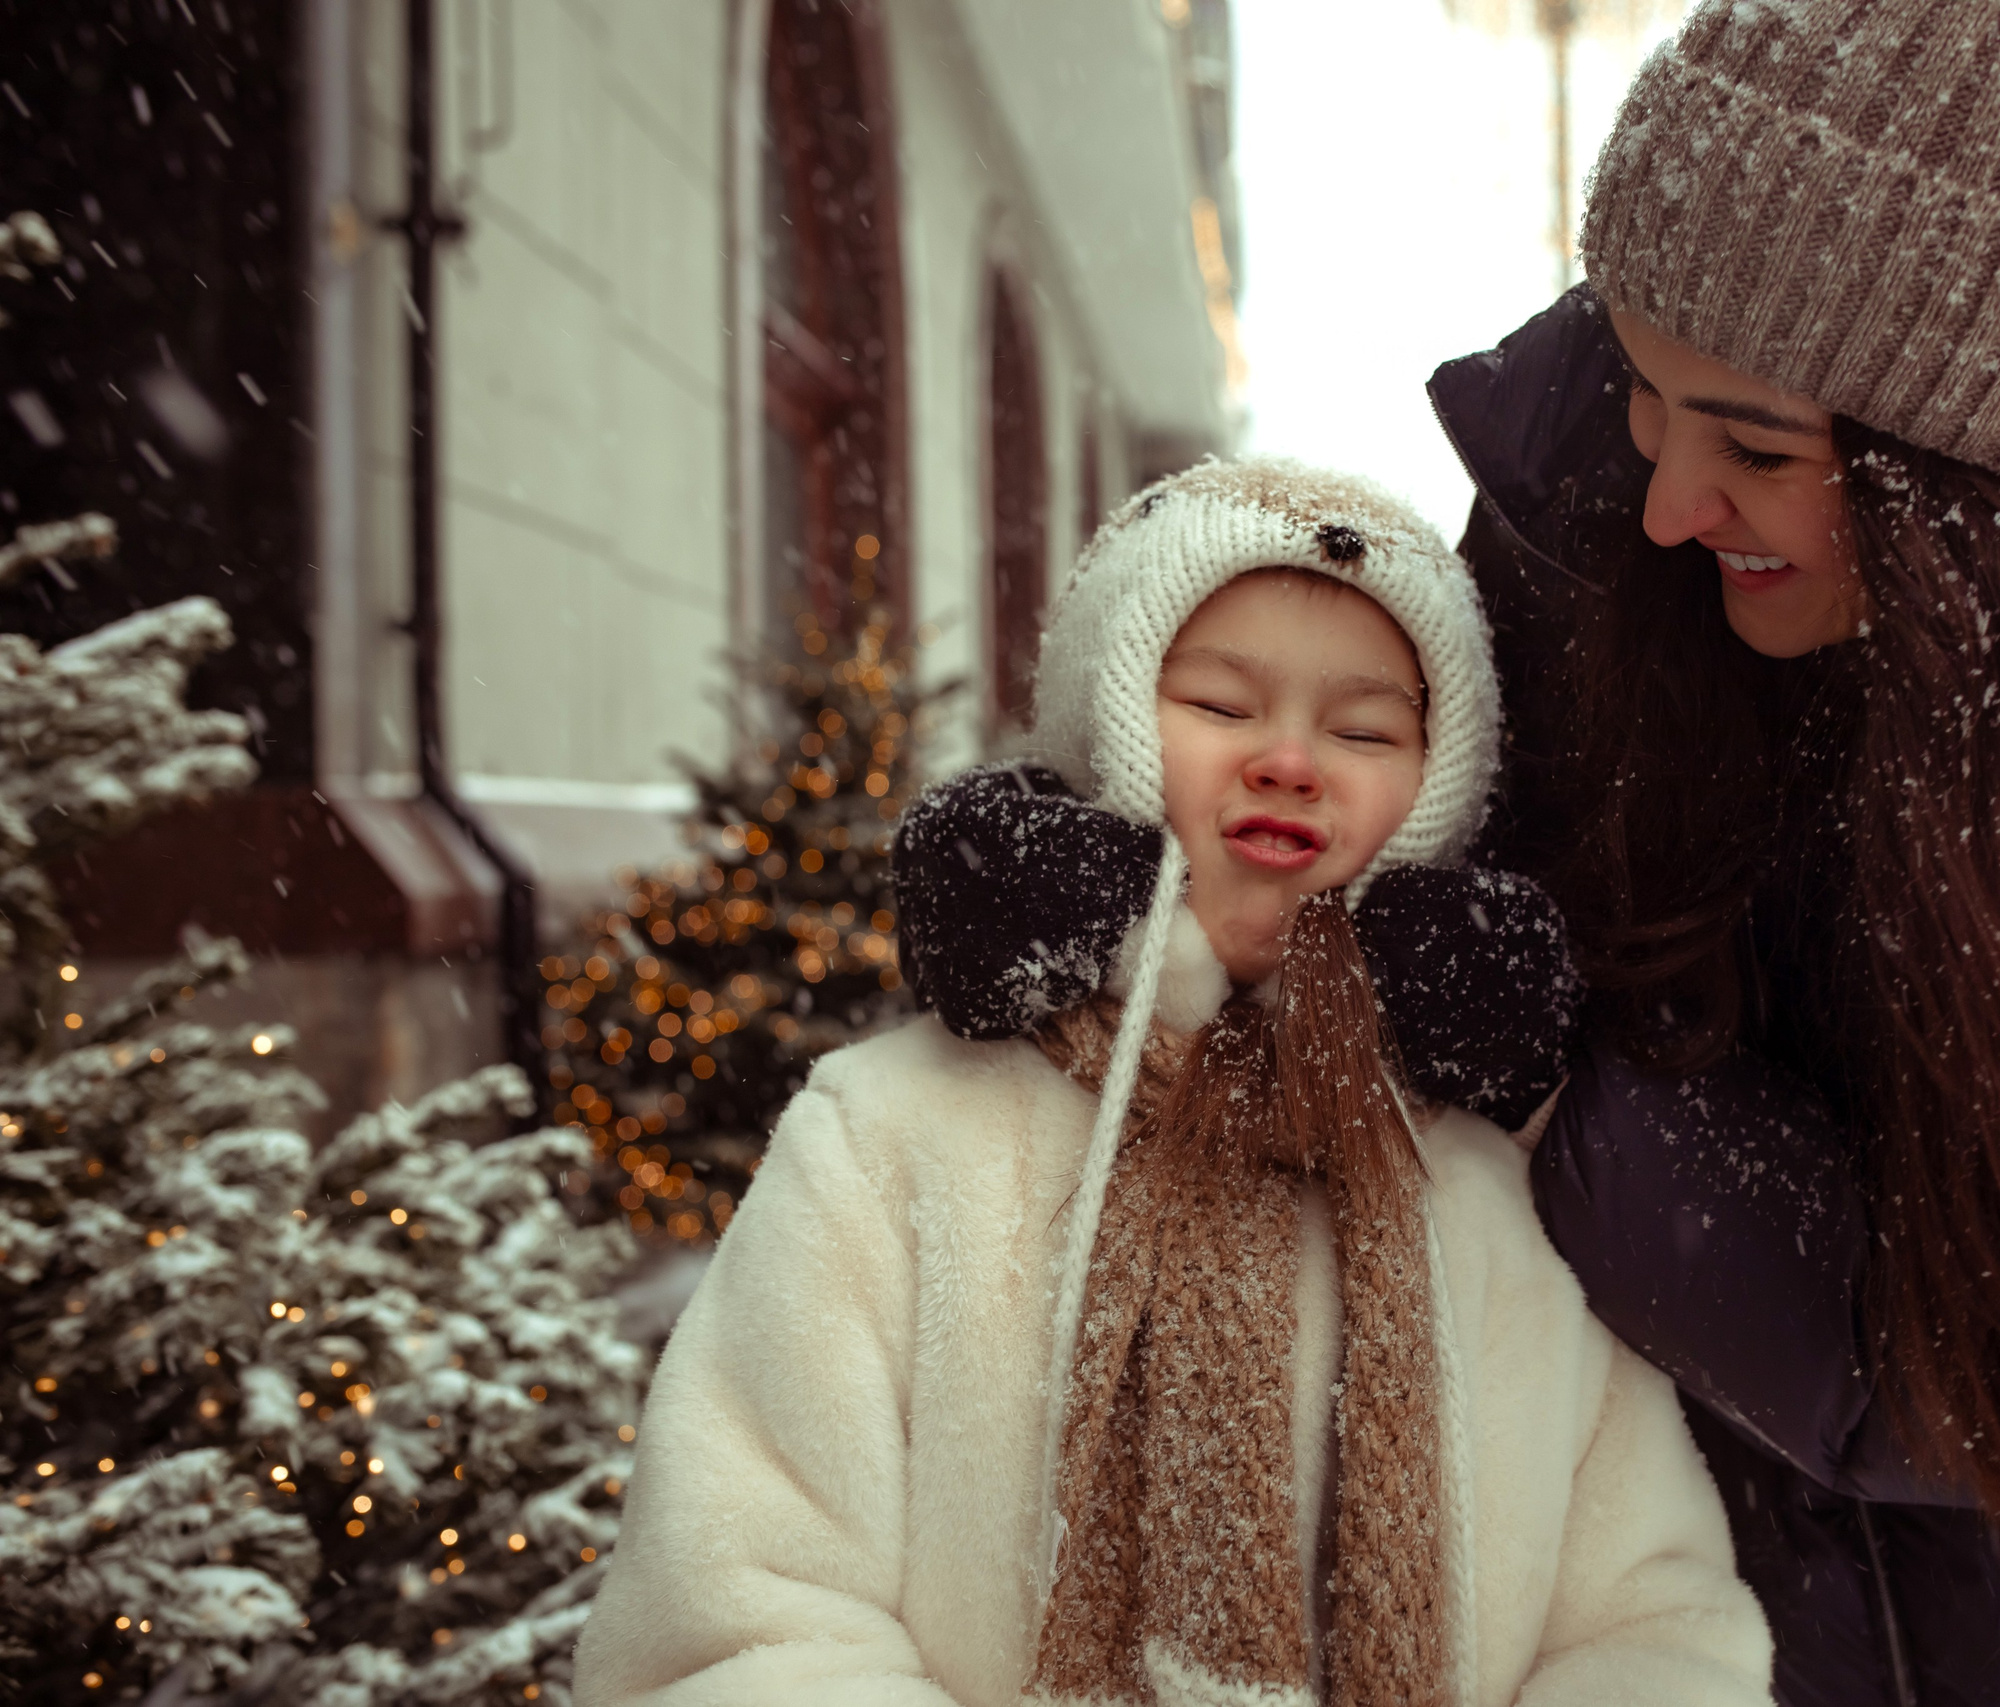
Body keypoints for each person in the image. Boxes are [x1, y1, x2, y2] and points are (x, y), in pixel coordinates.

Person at [887, 3, 2000, 1702]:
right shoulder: (1599, 520)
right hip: (1726, 1588)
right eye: (1644, 390)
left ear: (1991, 495)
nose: (1671, 497)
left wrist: (1547, 1069)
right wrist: (1117, 889)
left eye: (1754, 445)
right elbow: (1388, 860)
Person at [572, 459, 1774, 1707]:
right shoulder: (895, 1137)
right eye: (1218, 703)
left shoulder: (1502, 1177)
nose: (1291, 760)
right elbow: (740, 1617)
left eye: (1364, 729)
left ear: (1436, 790)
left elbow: (1649, 1619)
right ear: (1109, 722)